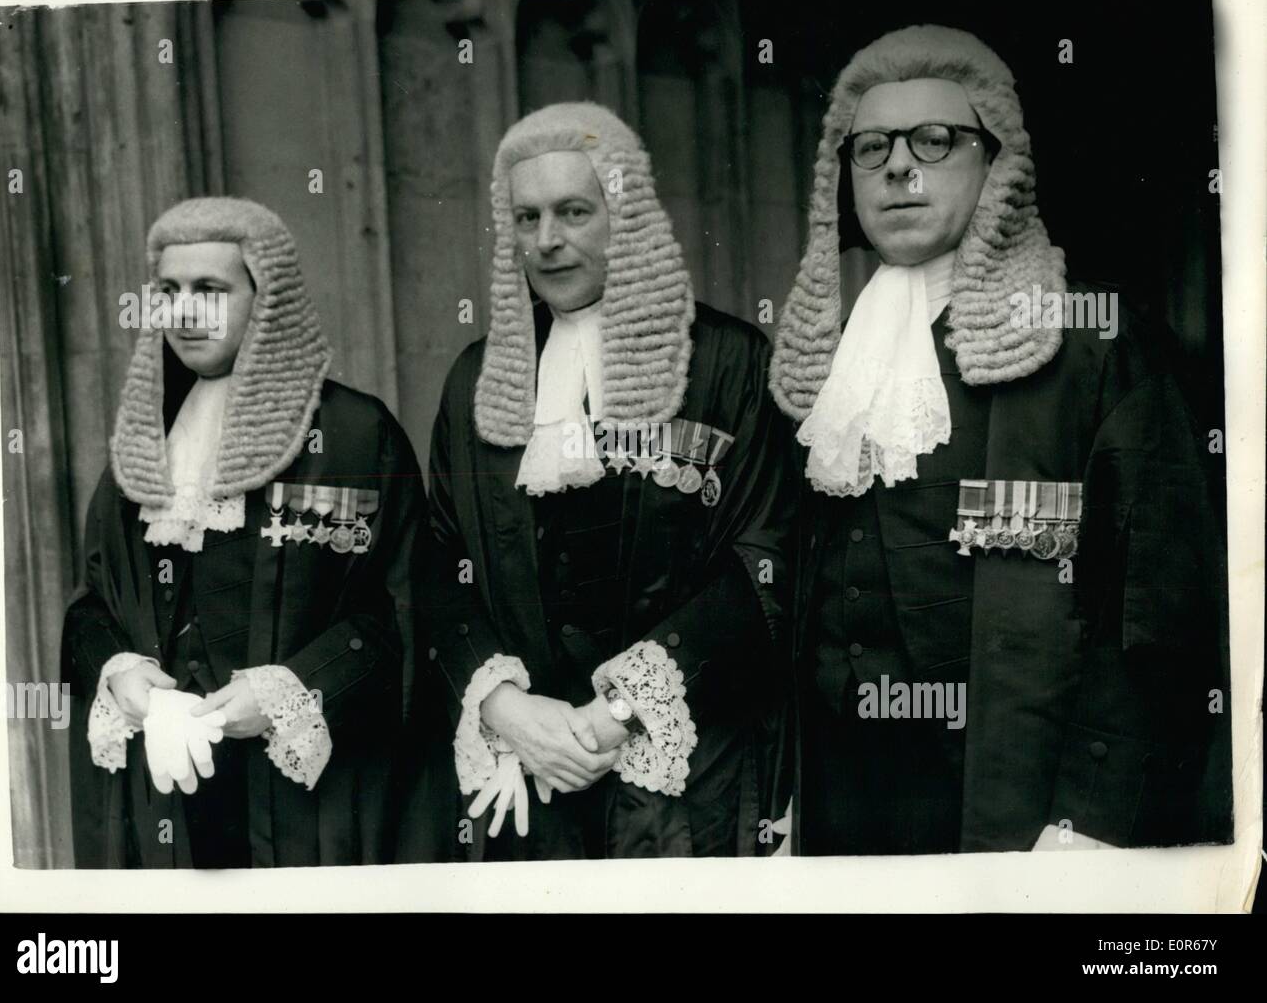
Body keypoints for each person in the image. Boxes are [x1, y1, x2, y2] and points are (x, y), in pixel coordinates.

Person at [769, 25, 1231, 854]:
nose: (899, 167)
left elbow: (1158, 609)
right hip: (849, 801)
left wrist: (1087, 821)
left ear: (995, 167)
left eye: (935, 141)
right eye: (871, 147)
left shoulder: (1090, 343)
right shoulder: (825, 360)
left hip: (1012, 803)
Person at [423, 102, 794, 860]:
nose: (547, 240)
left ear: (624, 214)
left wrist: (616, 710)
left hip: (686, 779)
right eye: (526, 218)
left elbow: (765, 556)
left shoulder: (726, 361)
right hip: (530, 777)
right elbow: (437, 561)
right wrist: (503, 705)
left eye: (573, 211)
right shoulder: (478, 379)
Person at [61, 197, 426, 867]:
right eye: (169, 291)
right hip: (166, 798)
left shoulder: (353, 436)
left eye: (210, 289)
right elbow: (92, 605)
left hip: (305, 808)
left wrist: (294, 688)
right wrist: (122, 675)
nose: (185, 310)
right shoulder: (143, 443)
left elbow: (400, 614)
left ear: (269, 297)